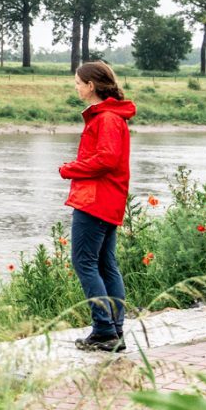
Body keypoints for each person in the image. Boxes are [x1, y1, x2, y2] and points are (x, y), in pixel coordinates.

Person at [60, 62, 137, 351]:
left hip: (95, 200)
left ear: (91, 85)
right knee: (106, 263)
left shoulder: (106, 118)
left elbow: (106, 159)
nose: (75, 87)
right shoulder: (112, 116)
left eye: (78, 82)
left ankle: (105, 330)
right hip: (109, 199)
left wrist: (71, 168)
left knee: (85, 263)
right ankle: (114, 330)